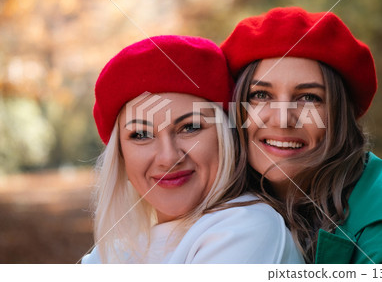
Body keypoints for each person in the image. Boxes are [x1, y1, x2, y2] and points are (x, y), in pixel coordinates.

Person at [220, 7, 382, 264]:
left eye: (309, 98)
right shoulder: (228, 213)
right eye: (260, 95)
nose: (282, 119)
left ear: (341, 116)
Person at [81, 35, 303, 263]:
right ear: (120, 155)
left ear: (226, 137)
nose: (168, 158)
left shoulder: (247, 228)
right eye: (141, 135)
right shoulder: (111, 253)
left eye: (190, 127)